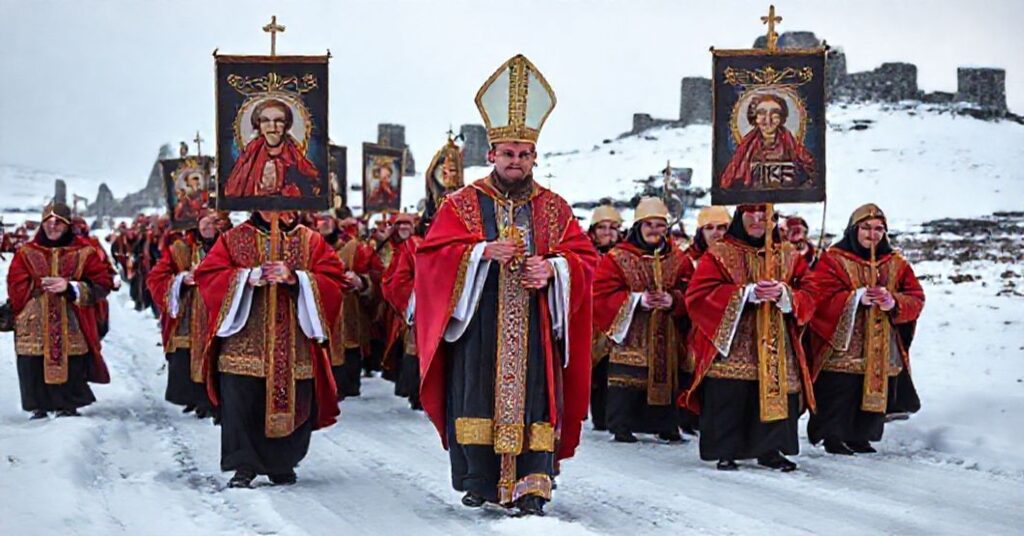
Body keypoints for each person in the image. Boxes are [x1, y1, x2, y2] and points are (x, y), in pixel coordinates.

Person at [415, 54, 598, 516]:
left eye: (524, 154)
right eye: (507, 154)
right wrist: (477, 254)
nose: (515, 161)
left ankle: (533, 486)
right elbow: (432, 258)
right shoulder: (462, 203)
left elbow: (585, 258)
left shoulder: (555, 207)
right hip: (480, 324)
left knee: (536, 400)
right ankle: (479, 480)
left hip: (535, 327)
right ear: (491, 154)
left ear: (535, 157)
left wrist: (554, 270)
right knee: (476, 396)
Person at [194, 210, 347, 488]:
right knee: (242, 401)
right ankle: (244, 465)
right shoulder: (233, 239)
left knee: (294, 399)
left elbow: (334, 280)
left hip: (294, 343)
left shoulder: (310, 241)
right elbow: (209, 275)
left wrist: (297, 280)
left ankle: (282, 462)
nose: (280, 211)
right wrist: (246, 279)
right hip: (244, 343)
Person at [682, 204, 816, 472]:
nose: (758, 219)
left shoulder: (789, 255)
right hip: (732, 346)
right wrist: (745, 294)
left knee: (776, 393)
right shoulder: (719, 253)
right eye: (751, 213)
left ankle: (771, 449)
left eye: (764, 214)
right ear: (739, 217)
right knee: (730, 395)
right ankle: (726, 450)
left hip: (778, 344)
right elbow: (698, 296)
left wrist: (786, 295)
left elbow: (812, 292)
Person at [805, 204, 925, 455]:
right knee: (841, 388)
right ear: (853, 230)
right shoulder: (833, 259)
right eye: (866, 228)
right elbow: (818, 295)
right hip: (842, 344)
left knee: (873, 387)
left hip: (881, 344)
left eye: (879, 229)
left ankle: (862, 435)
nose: (873, 234)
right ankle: (833, 435)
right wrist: (856, 298)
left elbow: (915, 296)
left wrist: (893, 302)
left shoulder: (896, 263)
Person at [593, 198, 693, 443]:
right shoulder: (617, 258)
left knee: (666, 378)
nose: (654, 230)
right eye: (648, 224)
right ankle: (621, 425)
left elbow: (691, 290)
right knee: (628, 381)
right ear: (638, 227)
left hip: (666, 335)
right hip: (630, 335)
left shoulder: (679, 259)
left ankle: (666, 424)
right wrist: (637, 300)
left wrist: (674, 300)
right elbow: (601, 293)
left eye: (660, 225)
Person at [6, 203, 115, 419]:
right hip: (35, 317)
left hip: (71, 316)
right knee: (33, 359)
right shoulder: (26, 252)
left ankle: (68, 404)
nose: (53, 226)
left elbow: (102, 283)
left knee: (71, 357)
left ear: (68, 225)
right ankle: (39, 406)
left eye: (59, 222)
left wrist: (71, 287)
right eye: (48, 222)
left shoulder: (85, 252)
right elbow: (15, 282)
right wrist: (35, 286)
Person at [148, 210, 225, 418]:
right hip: (188, 314)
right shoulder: (180, 248)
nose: (208, 227)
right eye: (203, 222)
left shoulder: (230, 246)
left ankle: (214, 401)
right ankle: (195, 399)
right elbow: (156, 277)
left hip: (220, 313)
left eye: (213, 222)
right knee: (187, 357)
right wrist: (182, 280)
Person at [316, 212, 379, 398]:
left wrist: (361, 282)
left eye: (328, 218)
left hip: (348, 315)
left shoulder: (353, 247)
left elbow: (373, 276)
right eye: (320, 219)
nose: (324, 222)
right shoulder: (308, 245)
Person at [224, 99, 320, 198]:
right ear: (259, 125)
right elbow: (233, 190)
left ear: (286, 124)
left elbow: (311, 186)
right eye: (265, 120)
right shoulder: (249, 155)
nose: (272, 127)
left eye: (279, 121)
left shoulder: (295, 157)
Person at [720, 93, 817, 189]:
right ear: (754, 117)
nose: (768, 119)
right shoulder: (746, 149)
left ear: (781, 117)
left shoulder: (793, 148)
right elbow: (732, 181)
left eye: (775, 114)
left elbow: (811, 176)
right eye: (762, 113)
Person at [381, 213, 423, 409]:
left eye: (408, 223)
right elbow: (395, 280)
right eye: (400, 224)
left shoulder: (413, 245)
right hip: (411, 307)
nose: (404, 228)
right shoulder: (404, 248)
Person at [586, 204, 622, 431]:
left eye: (612, 228)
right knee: (596, 372)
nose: (608, 232)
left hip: (619, 319)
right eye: (602, 228)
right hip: (591, 320)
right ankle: (599, 415)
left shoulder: (624, 255)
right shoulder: (586, 254)